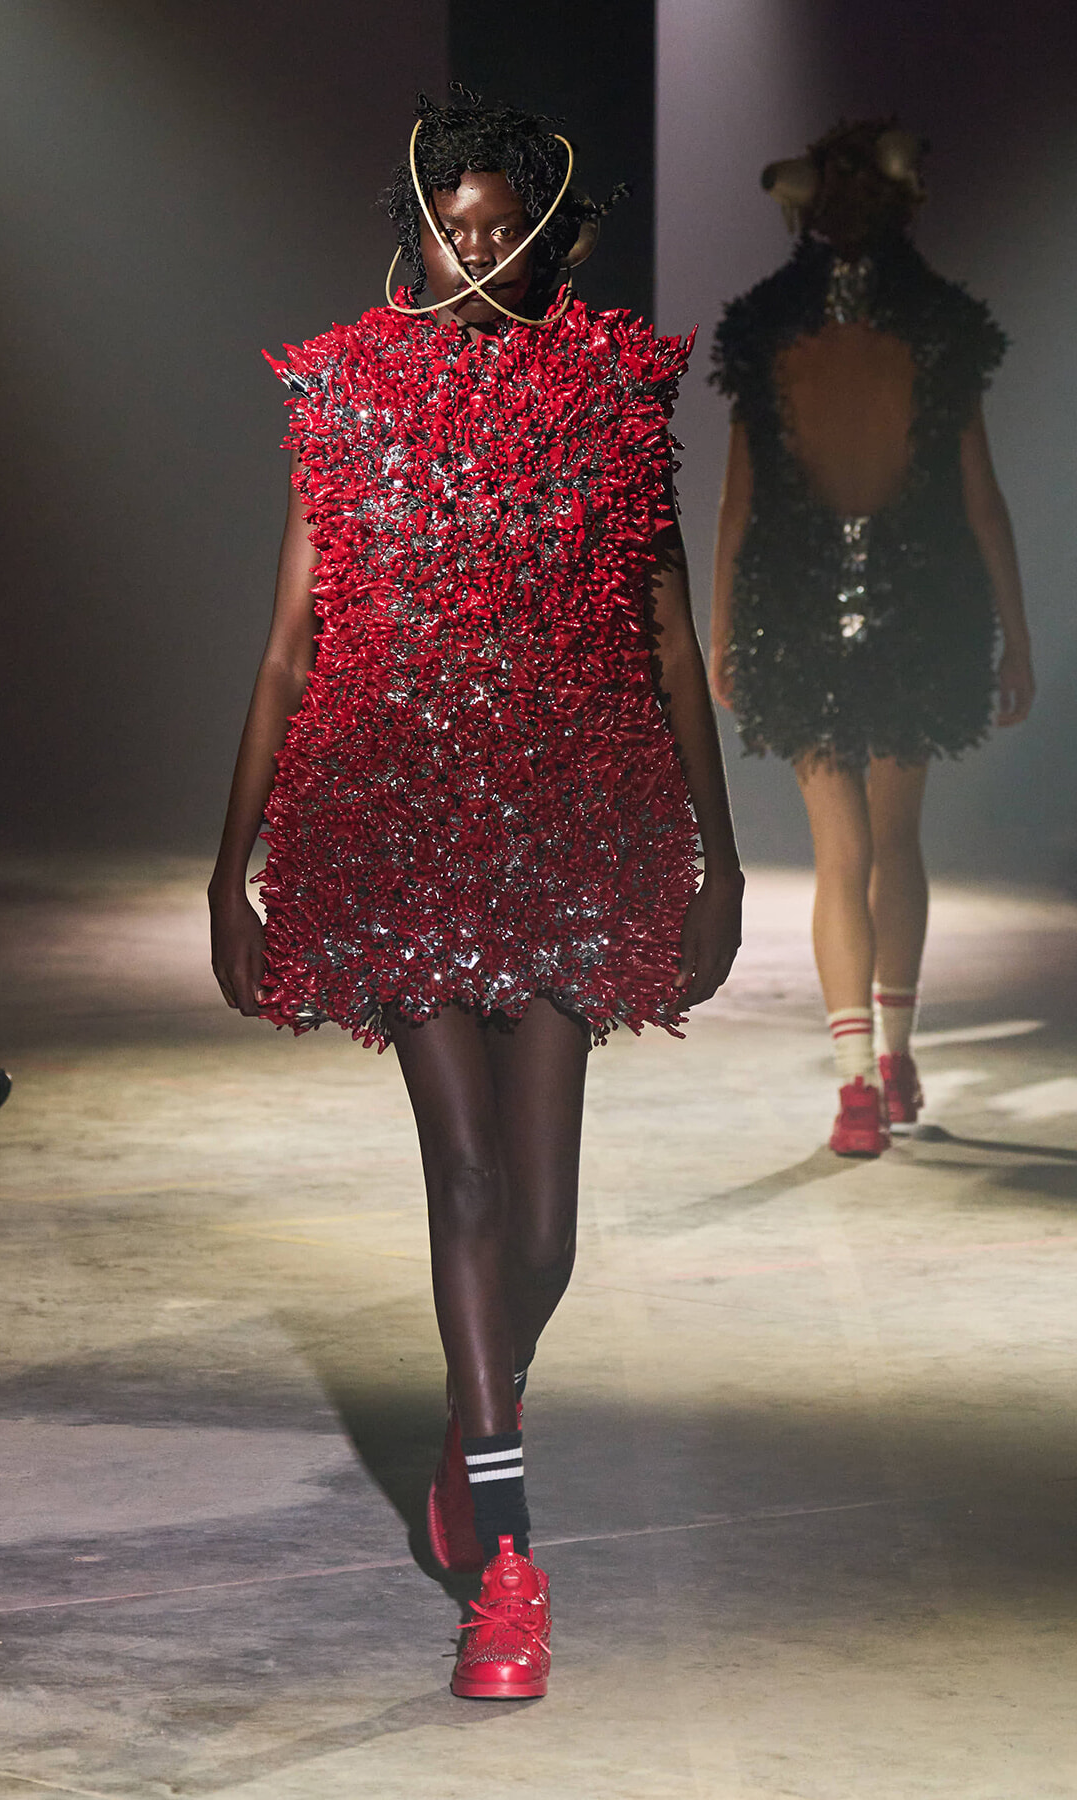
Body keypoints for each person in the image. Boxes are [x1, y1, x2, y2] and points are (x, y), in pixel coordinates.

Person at [209, 90, 742, 1700]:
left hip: (571, 829)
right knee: (467, 1186)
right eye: (456, 223)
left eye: (507, 226)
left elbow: (664, 637)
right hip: (402, 823)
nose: (479, 248)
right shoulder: (350, 395)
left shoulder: (614, 391)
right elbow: (295, 642)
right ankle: (507, 1560)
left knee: (549, 1228)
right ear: (417, 229)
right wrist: (228, 868)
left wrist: (716, 861)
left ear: (549, 233)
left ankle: (473, 1412)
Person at [709, 121, 1032, 1158]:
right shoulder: (933, 325)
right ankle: (884, 1060)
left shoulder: (769, 328)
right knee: (885, 847)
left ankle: (863, 1082)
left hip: (810, 606)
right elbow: (978, 498)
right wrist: (1013, 635)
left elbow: (740, 504)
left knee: (849, 853)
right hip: (911, 604)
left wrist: (721, 628)